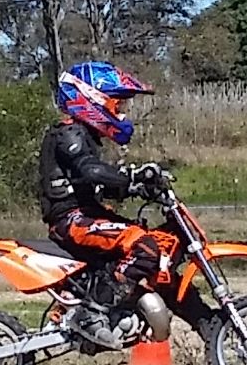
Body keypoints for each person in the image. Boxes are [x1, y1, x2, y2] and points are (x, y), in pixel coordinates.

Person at [39, 62, 173, 345]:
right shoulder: (68, 133)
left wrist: (136, 187)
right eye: (117, 104)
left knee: (146, 240)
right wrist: (132, 175)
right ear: (92, 99)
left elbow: (95, 182)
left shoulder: (84, 136)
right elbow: (90, 171)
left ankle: (109, 307)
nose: (121, 113)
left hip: (85, 215)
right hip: (71, 220)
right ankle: (93, 313)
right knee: (144, 247)